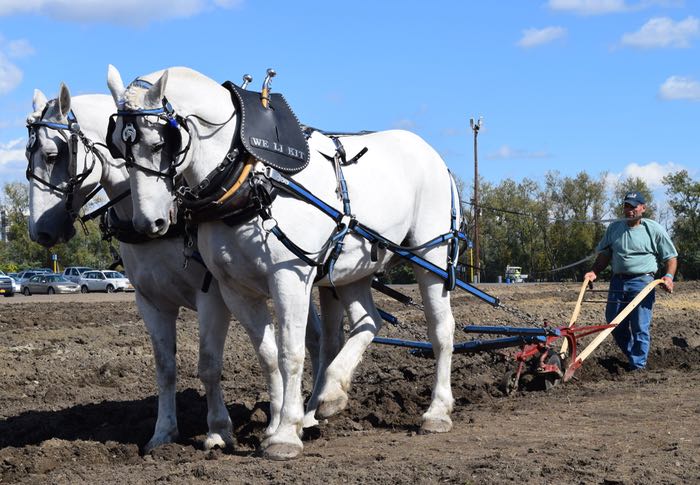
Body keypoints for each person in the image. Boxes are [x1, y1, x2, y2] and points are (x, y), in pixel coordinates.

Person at [584, 191, 677, 371]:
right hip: (618, 282)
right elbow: (605, 255)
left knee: (639, 326)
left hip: (643, 282)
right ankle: (633, 356)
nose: (629, 210)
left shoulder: (653, 229)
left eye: (633, 206)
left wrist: (669, 277)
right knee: (613, 323)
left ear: (643, 207)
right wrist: (594, 271)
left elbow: (671, 257)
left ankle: (637, 367)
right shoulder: (614, 229)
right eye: (626, 206)